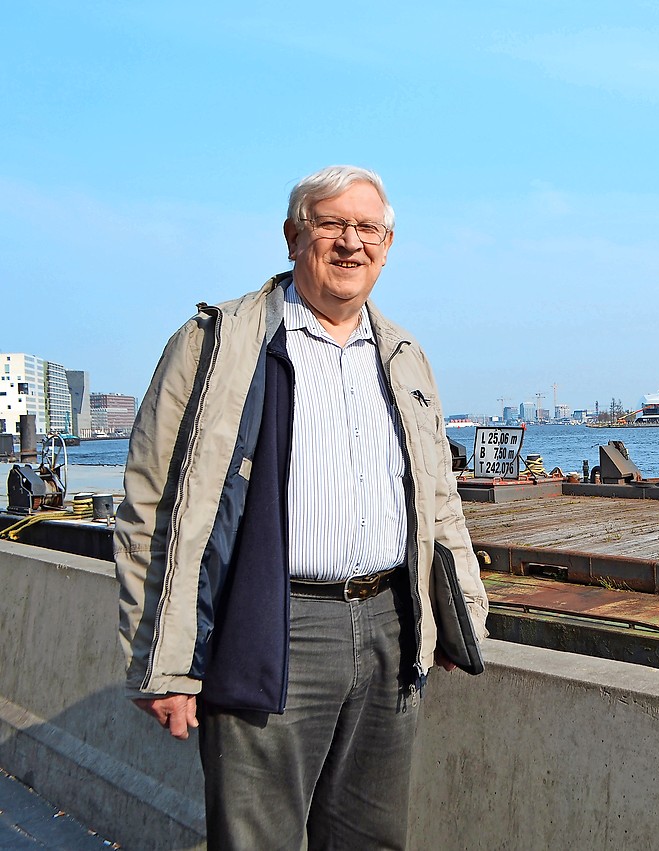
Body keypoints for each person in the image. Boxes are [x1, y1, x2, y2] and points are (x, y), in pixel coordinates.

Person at [115, 165, 488, 849]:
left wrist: (454, 614)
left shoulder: (405, 355)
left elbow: (437, 497)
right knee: (258, 837)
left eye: (368, 228)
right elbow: (149, 505)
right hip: (270, 621)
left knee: (371, 836)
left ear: (388, 245)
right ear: (294, 236)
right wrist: (161, 663)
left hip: (390, 624)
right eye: (332, 224)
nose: (351, 242)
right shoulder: (218, 344)